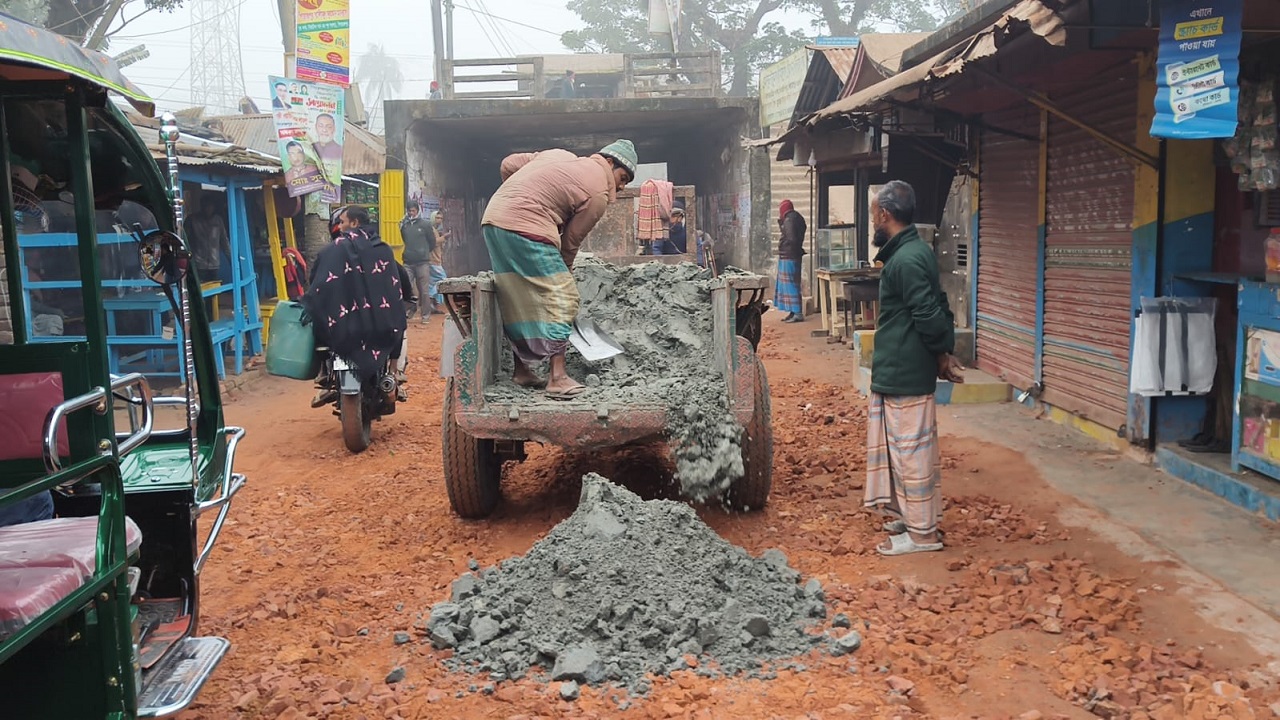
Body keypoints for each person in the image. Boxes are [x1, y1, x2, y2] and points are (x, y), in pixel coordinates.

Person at [481, 139, 637, 399]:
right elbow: (570, 244)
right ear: (609, 162)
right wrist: (564, 277)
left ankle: (522, 370)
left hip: (494, 221)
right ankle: (557, 377)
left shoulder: (557, 155)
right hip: (527, 228)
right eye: (622, 178)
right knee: (563, 298)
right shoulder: (598, 193)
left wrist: (519, 194)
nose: (621, 187)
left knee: (516, 297)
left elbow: (508, 165)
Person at [862, 180, 964, 557]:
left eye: (874, 213)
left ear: (885, 215)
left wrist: (942, 352)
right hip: (902, 366)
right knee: (905, 450)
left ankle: (922, 535)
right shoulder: (913, 251)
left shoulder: (905, 259)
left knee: (910, 454)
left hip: (904, 368)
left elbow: (927, 311)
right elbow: (936, 302)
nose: (873, 219)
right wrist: (943, 351)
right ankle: (912, 517)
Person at [302, 206, 413, 406]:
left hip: (344, 327)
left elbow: (317, 282)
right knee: (399, 325)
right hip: (381, 325)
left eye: (342, 222)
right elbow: (400, 277)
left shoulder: (333, 250)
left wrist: (311, 301)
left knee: (318, 324)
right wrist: (407, 298)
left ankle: (324, 374)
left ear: (354, 223)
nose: (340, 226)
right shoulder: (382, 249)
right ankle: (395, 374)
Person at [398, 203, 437, 324]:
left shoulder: (425, 224)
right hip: (408, 261)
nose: (411, 213)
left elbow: (432, 242)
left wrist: (424, 252)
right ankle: (410, 309)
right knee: (406, 288)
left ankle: (425, 315)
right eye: (409, 211)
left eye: (413, 211)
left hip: (422, 262)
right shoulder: (404, 225)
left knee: (424, 290)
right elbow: (405, 239)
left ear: (418, 210)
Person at [776, 199, 807, 322]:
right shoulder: (797, 217)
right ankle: (793, 312)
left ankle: (797, 313)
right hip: (794, 255)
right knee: (792, 283)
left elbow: (791, 237)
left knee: (790, 285)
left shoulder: (789, 220)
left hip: (789, 256)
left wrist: (783, 243)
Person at [427, 209, 450, 315]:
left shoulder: (436, 230)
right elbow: (434, 242)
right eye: (437, 217)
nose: (439, 220)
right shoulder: (431, 230)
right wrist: (444, 237)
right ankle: (431, 297)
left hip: (436, 259)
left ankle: (433, 305)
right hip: (432, 260)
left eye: (441, 218)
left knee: (433, 282)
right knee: (442, 279)